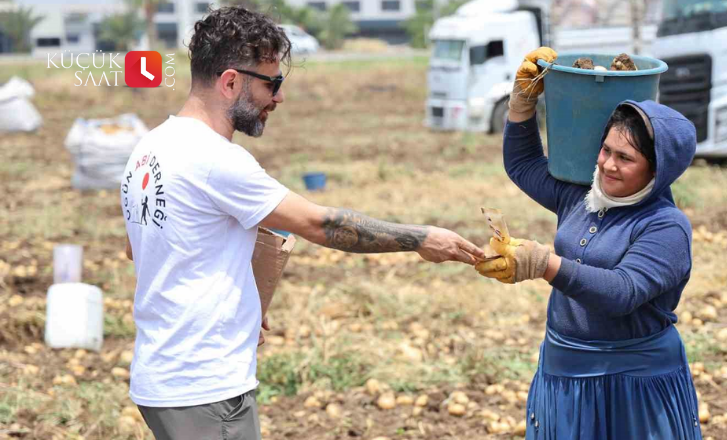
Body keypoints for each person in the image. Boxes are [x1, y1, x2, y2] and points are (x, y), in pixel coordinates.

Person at [120, 7, 484, 440]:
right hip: (204, 385)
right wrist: (421, 238)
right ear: (230, 81)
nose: (279, 97)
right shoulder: (216, 160)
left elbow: (140, 244)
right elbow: (320, 224)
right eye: (271, 84)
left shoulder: (151, 146)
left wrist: (239, 300)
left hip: (161, 377)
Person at [475, 47, 703, 439]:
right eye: (606, 150)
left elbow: (622, 292)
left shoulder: (665, 227)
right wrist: (522, 105)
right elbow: (523, 165)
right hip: (565, 374)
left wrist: (543, 264)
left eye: (625, 158)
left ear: (657, 169)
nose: (607, 165)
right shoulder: (583, 197)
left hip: (634, 386)